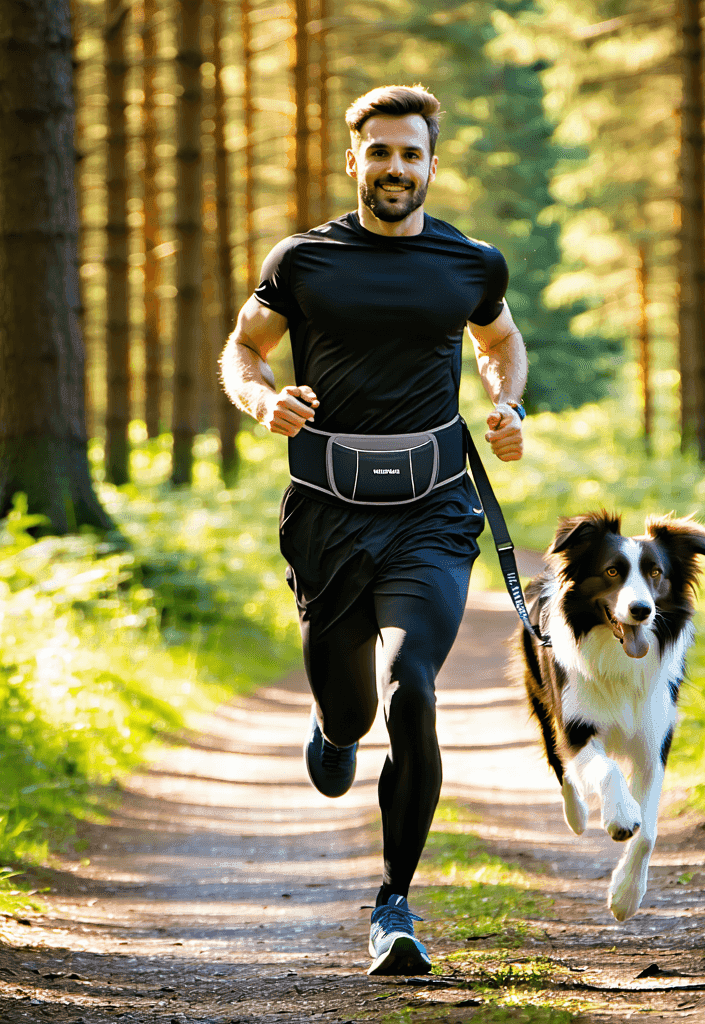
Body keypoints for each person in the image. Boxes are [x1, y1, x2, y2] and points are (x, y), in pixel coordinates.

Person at [219, 84, 527, 976]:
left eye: (413, 154)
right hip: (326, 514)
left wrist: (507, 405)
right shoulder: (304, 260)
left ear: (433, 163)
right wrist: (260, 399)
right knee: (352, 708)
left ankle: (394, 903)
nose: (397, 168)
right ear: (353, 159)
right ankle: (335, 722)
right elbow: (244, 347)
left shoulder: (471, 262)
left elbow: (501, 343)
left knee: (415, 686)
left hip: (435, 509)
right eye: (381, 153)